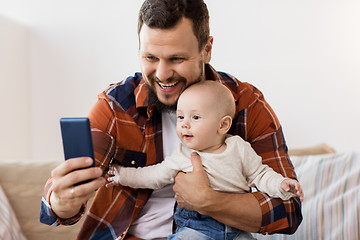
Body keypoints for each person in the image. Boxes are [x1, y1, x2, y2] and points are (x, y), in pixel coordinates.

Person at [40, 0, 303, 239]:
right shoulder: (116, 105)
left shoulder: (244, 103)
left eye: (177, 58)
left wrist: (208, 201)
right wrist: (61, 201)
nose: (163, 74)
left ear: (207, 49)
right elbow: (61, 201)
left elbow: (289, 210)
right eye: (150, 58)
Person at [106, 81, 304, 240]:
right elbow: (152, 176)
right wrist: (121, 175)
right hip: (197, 229)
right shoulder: (182, 155)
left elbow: (261, 175)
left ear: (223, 125)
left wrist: (281, 184)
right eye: (181, 117)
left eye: (195, 117)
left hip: (238, 229)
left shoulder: (238, 147)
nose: (184, 124)